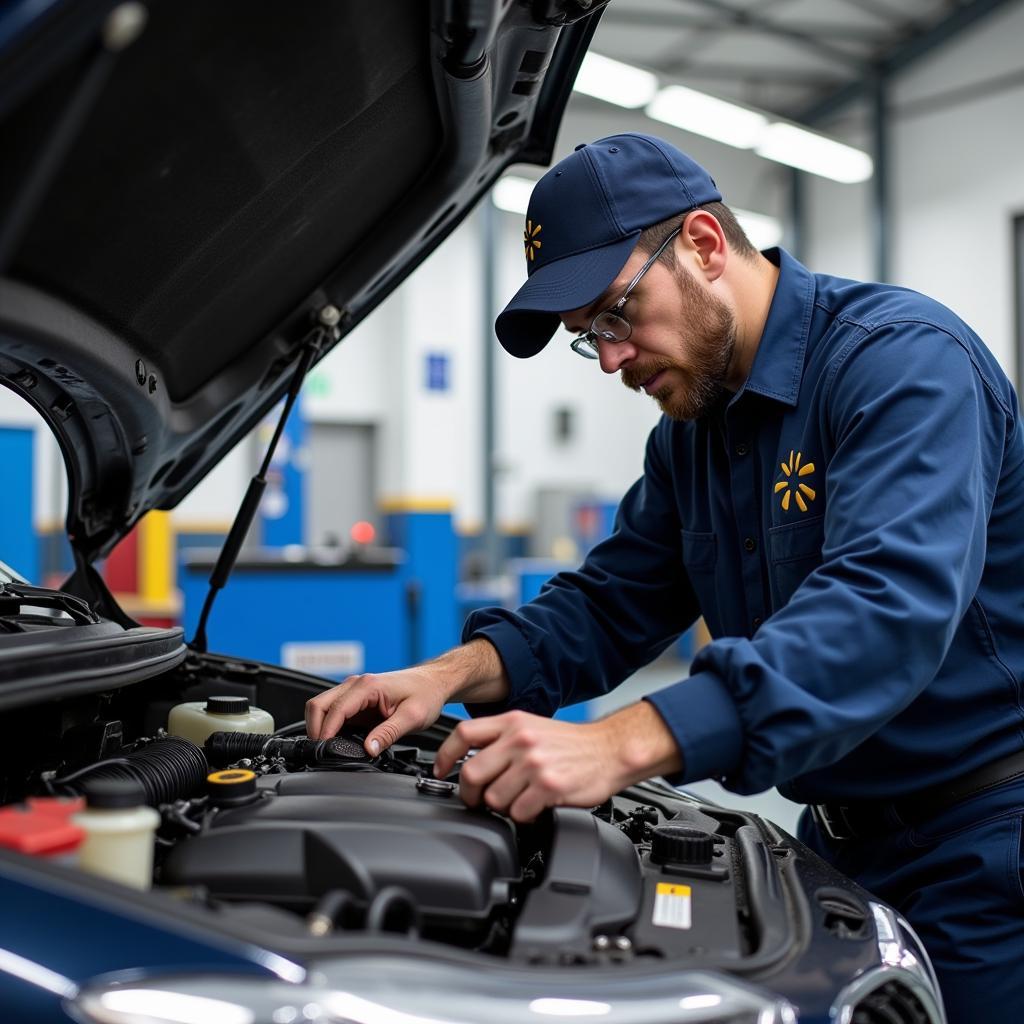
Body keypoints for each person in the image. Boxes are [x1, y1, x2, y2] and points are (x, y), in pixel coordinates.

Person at [306, 133, 1024, 1018]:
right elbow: (611, 606)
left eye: (614, 315)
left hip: (988, 850)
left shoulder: (903, 364)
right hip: (839, 846)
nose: (610, 359)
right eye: (587, 340)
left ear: (704, 245)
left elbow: (885, 614)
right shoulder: (693, 435)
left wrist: (618, 742)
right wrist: (446, 675)